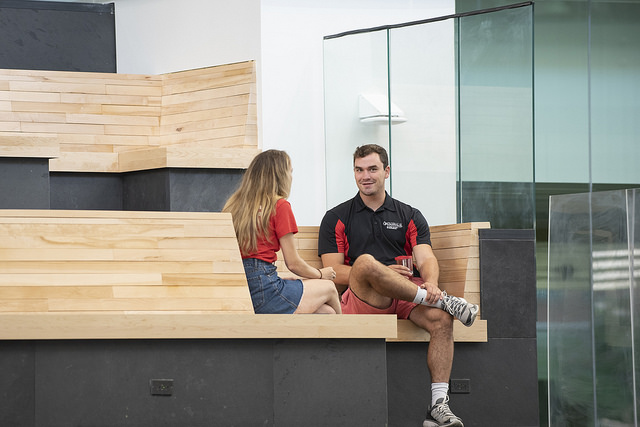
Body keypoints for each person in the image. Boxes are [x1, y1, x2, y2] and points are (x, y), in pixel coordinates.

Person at [318, 144, 477, 427]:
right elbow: (332, 271)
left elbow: (426, 256)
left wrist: (431, 282)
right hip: (364, 297)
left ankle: (438, 407)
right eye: (359, 169)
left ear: (386, 171)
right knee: (366, 263)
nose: (365, 176)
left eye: (372, 169)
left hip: (407, 296)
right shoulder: (337, 217)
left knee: (442, 321)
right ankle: (441, 300)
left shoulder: (410, 215)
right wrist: (378, 272)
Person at [224, 149, 341, 315]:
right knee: (329, 287)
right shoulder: (280, 206)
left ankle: (336, 340)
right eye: (290, 171)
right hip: (264, 286)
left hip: (241, 287)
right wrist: (321, 274)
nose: (292, 177)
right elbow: (293, 263)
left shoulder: (233, 206)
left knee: (326, 312)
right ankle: (349, 339)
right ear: (281, 175)